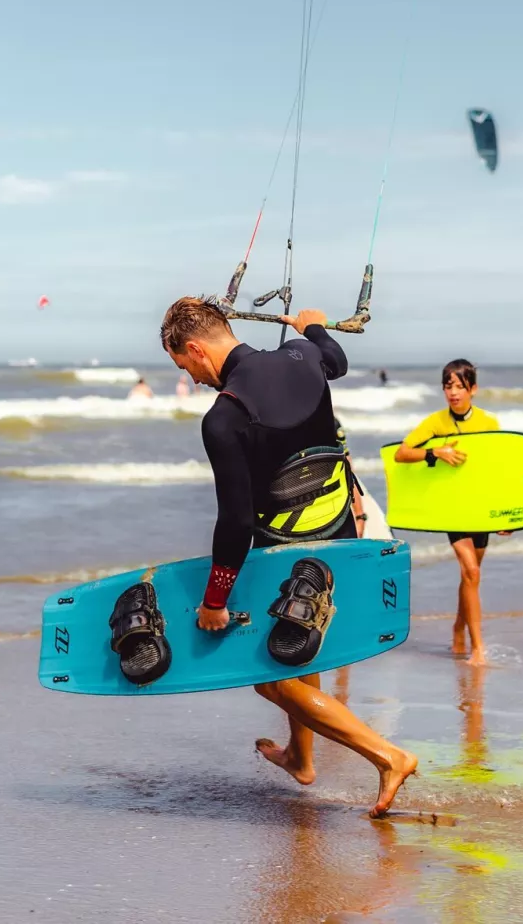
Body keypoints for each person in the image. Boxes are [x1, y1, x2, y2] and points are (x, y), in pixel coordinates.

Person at [161, 297, 418, 817]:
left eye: (184, 365)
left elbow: (234, 523)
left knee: (269, 676)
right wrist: (314, 327)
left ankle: (387, 756)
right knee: (301, 653)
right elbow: (336, 361)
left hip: (287, 553)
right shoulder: (301, 356)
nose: (191, 377)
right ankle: (301, 758)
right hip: (341, 531)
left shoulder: (225, 417)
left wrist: (215, 600)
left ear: (194, 348)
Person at [391, 359, 501, 666]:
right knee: (472, 572)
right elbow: (402, 453)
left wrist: (503, 517)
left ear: (473, 389)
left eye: (459, 387)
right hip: (452, 509)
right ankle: (478, 648)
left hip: (479, 508)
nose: (453, 393)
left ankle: (457, 628)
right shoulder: (436, 422)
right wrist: (435, 452)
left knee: (471, 577)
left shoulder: (489, 424)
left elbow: (497, 471)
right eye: (448, 386)